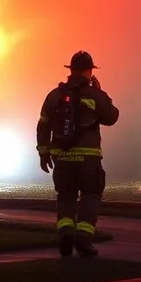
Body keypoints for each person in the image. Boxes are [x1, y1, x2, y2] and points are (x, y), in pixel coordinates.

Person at [36, 50, 120, 257]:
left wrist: (44, 153)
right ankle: (83, 238)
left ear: (71, 70)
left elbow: (43, 126)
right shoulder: (93, 94)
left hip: (61, 157)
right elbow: (111, 117)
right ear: (89, 71)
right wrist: (100, 92)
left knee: (65, 196)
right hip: (88, 158)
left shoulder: (54, 96)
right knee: (91, 194)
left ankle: (65, 233)